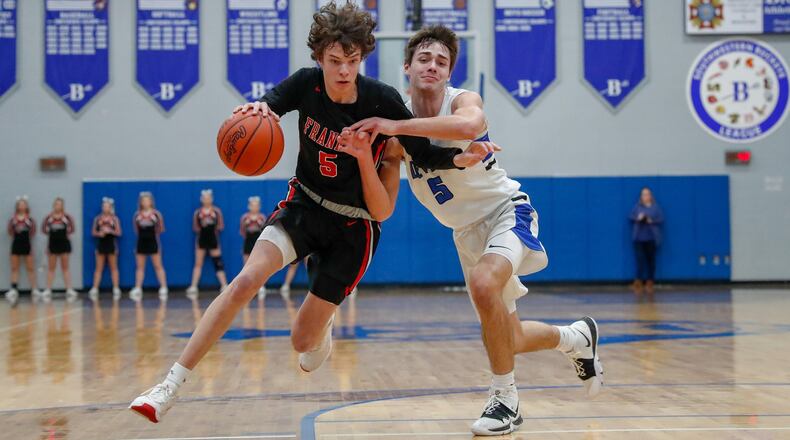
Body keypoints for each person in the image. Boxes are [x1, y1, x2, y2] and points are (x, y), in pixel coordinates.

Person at [129, 1, 489, 423]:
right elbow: (268, 106)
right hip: (304, 205)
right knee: (246, 280)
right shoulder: (306, 84)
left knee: (303, 343)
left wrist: (458, 160)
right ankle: (168, 385)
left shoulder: (383, 99)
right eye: (334, 61)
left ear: (362, 59)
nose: (343, 71)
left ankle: (322, 327)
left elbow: (423, 153)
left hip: (354, 228)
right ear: (319, 58)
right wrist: (257, 110)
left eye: (352, 61)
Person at [348, 25, 604, 436]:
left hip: (507, 212)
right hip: (466, 233)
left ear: (449, 73)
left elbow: (470, 124)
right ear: (407, 67)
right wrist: (364, 157)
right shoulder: (395, 133)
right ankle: (575, 338)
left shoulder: (460, 100)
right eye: (425, 59)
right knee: (510, 336)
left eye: (442, 62)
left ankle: (506, 400)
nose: (433, 66)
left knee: (485, 285)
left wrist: (394, 125)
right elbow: (384, 207)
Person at [186, 190, 229, 298]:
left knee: (218, 262)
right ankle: (193, 286)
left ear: (211, 198)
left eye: (208, 197)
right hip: (201, 239)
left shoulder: (216, 211)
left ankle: (224, 285)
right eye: (204, 197)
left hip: (213, 239)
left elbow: (220, 226)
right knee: (198, 263)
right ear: (201, 199)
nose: (206, 199)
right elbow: (195, 228)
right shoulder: (198, 213)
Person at [130, 192, 169, 301]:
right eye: (143, 200)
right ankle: (138, 288)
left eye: (148, 200)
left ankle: (163, 287)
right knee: (140, 267)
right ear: (140, 202)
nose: (146, 202)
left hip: (153, 242)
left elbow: (161, 229)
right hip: (141, 242)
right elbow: (136, 230)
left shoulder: (156, 214)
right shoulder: (137, 215)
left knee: (158, 265)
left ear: (151, 202)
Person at [4, 196, 41, 305]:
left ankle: (34, 289)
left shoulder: (30, 220)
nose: (22, 206)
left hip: (27, 245)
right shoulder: (13, 220)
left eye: (23, 204)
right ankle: (14, 289)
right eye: (20, 204)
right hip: (16, 244)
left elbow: (33, 232)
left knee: (30, 268)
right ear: (17, 207)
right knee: (14, 268)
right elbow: (10, 232)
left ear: (26, 206)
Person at [42, 197, 78, 302]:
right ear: (54, 205)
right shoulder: (49, 218)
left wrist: (63, 235)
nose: (58, 206)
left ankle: (69, 289)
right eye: (56, 204)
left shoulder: (67, 217)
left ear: (62, 206)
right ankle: (48, 289)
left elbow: (72, 229)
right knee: (51, 268)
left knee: (65, 267)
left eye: (60, 204)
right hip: (53, 244)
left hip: (64, 244)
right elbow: (44, 229)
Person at [630, 187, 663, 295]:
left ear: (650, 196)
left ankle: (650, 281)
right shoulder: (637, 207)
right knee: (640, 260)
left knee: (651, 260)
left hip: (651, 238)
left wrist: (651, 220)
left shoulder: (655, 208)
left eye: (647, 194)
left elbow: (661, 219)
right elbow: (631, 217)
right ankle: (638, 281)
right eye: (643, 194)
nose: (645, 196)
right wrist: (638, 218)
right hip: (639, 238)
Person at [89, 197, 123, 301]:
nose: (105, 208)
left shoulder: (115, 219)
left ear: (111, 208)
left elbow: (119, 232)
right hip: (101, 244)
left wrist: (110, 231)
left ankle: (116, 288)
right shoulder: (97, 219)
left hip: (111, 244)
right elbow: (93, 232)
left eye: (107, 206)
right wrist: (100, 233)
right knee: (99, 267)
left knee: (114, 267)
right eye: (104, 206)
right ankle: (95, 288)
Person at [239, 196, 267, 299]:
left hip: (258, 244)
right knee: (246, 267)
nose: (254, 207)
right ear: (249, 206)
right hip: (247, 243)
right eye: (252, 205)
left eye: (256, 205)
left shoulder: (262, 218)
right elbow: (242, 231)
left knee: (259, 266)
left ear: (259, 206)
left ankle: (261, 286)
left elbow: (265, 231)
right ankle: (245, 287)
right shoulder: (245, 218)